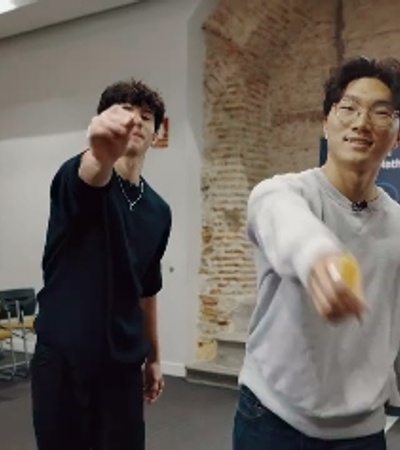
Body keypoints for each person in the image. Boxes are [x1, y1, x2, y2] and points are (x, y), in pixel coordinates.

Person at [233, 56, 400, 449]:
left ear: (395, 133)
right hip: (273, 417)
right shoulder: (283, 192)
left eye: (380, 113)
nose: (362, 123)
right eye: (349, 108)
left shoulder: (396, 222)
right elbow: (287, 223)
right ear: (326, 122)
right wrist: (318, 257)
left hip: (362, 430)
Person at [30, 79, 172, 450]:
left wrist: (155, 357)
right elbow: (92, 175)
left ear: (157, 133)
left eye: (145, 116)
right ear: (103, 121)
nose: (136, 122)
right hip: (65, 358)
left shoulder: (159, 211)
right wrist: (99, 154)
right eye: (125, 112)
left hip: (122, 365)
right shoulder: (76, 175)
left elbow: (148, 287)